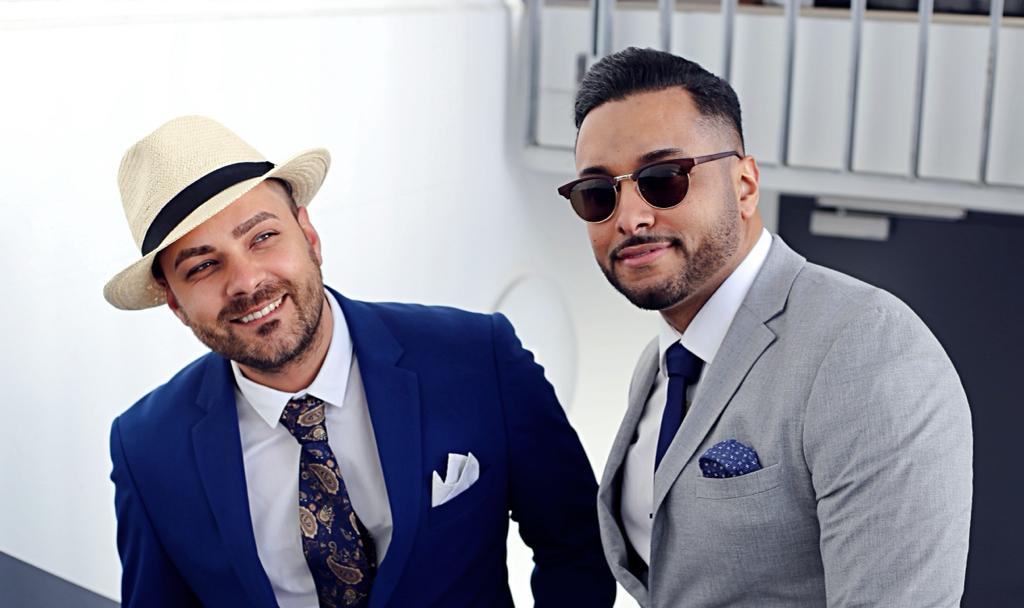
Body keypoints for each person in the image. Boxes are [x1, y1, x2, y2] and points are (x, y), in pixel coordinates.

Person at [106, 115, 615, 608]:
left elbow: (576, 546)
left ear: (309, 236)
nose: (246, 281)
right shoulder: (147, 448)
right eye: (203, 266)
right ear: (175, 302)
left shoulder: (479, 358)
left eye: (262, 237)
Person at [556, 47, 972, 607]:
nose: (630, 218)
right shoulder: (661, 366)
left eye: (663, 179)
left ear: (745, 186)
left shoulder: (868, 348)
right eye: (598, 193)